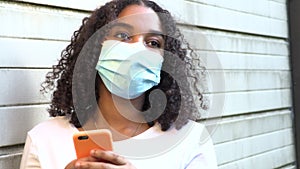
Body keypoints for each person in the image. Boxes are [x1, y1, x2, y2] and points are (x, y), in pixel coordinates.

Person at [20, 0, 218, 168]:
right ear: (95, 48)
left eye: (153, 42)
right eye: (123, 35)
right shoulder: (44, 139)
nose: (138, 49)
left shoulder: (190, 141)